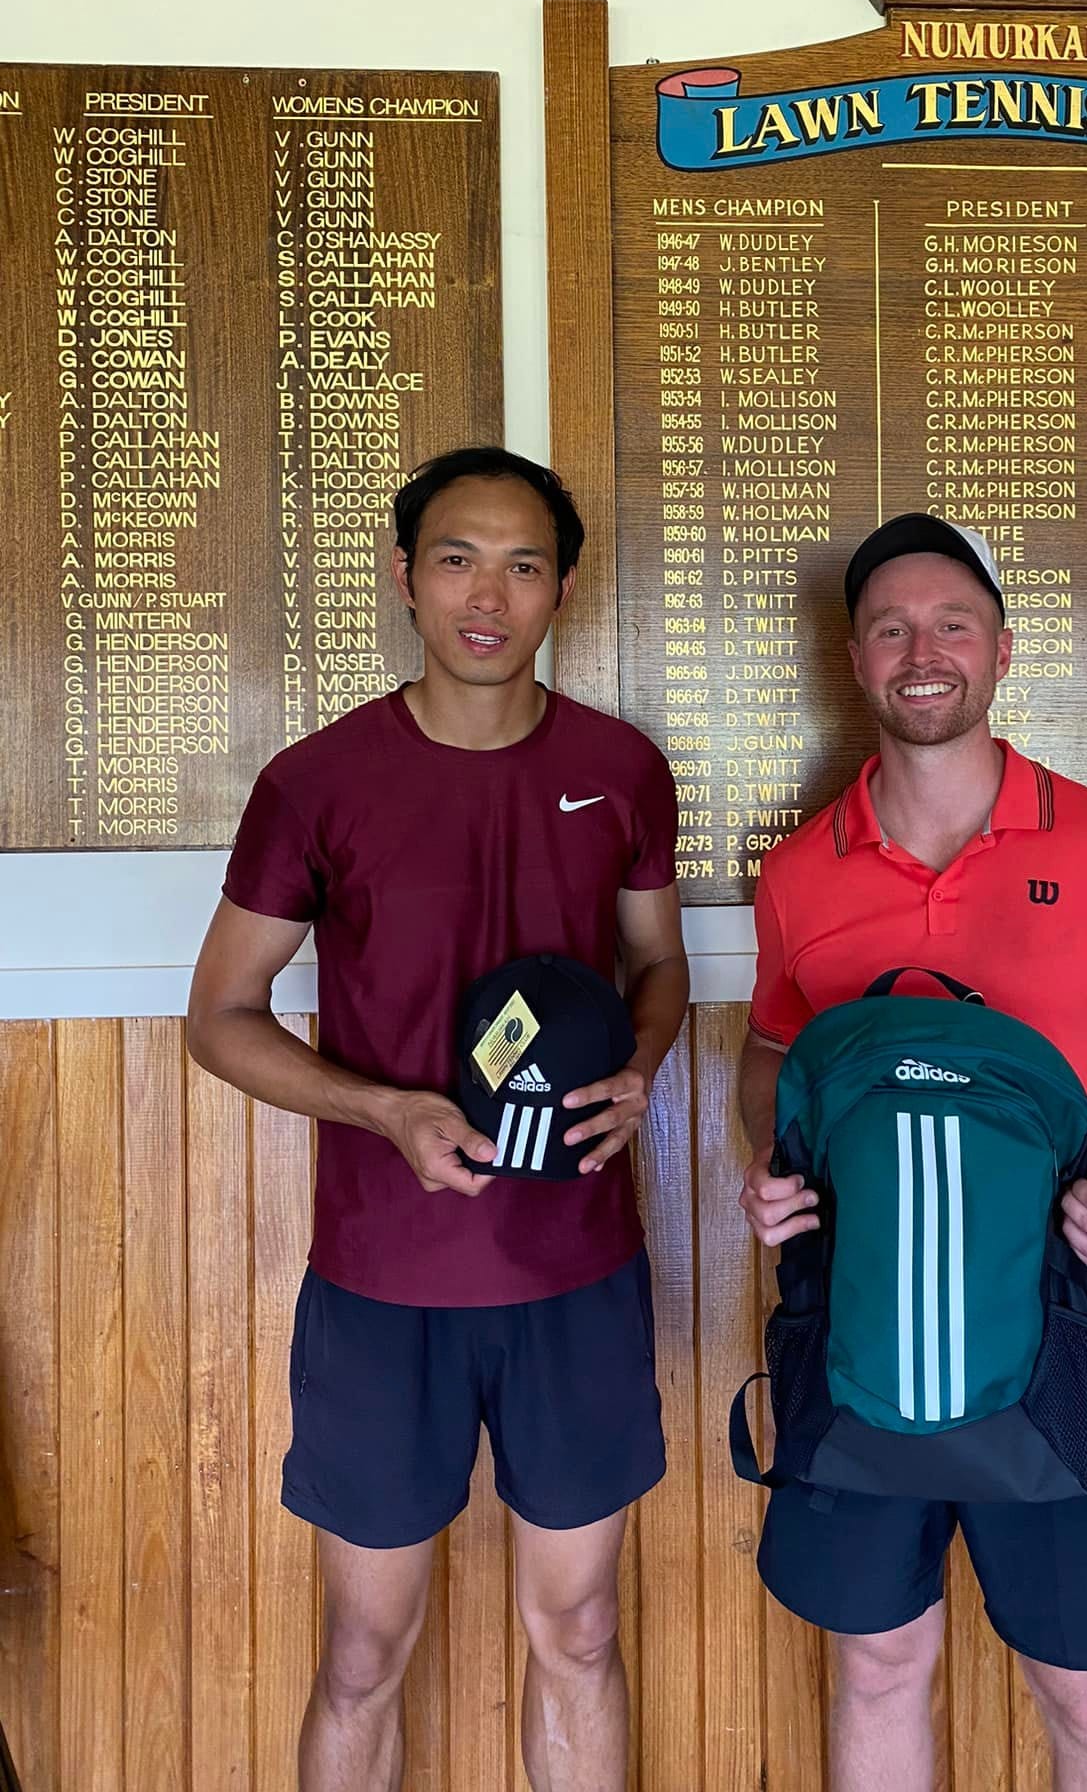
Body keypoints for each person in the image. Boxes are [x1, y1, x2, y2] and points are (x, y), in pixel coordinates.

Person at [187, 446, 688, 1792]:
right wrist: (385, 1110)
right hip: (381, 1283)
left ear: (562, 589)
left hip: (574, 1275)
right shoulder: (319, 782)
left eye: (524, 565)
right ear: (406, 577)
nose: (490, 593)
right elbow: (220, 1016)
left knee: (577, 1628)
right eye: (459, 558)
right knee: (363, 1645)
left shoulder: (622, 771)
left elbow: (660, 966)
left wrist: (643, 1065)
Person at [737, 513, 1087, 1792]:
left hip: (1064, 1352)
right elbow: (770, 1053)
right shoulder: (800, 872)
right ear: (853, 658)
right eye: (893, 627)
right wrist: (777, 1164)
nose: (925, 651)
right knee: (880, 1672)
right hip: (855, 1350)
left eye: (952, 623)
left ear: (1002, 650)